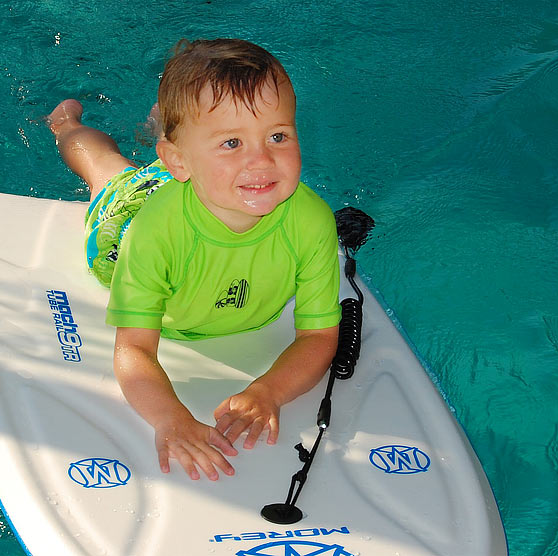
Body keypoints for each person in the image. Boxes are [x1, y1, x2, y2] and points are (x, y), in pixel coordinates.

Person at [47, 38, 340, 481]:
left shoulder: (312, 221)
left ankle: (183, 125)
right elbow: (134, 349)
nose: (261, 159)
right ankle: (66, 124)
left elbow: (319, 338)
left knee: (200, 139)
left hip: (204, 180)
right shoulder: (154, 233)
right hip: (128, 218)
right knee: (105, 167)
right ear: (180, 162)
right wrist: (171, 418)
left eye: (278, 135)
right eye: (232, 142)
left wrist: (269, 391)